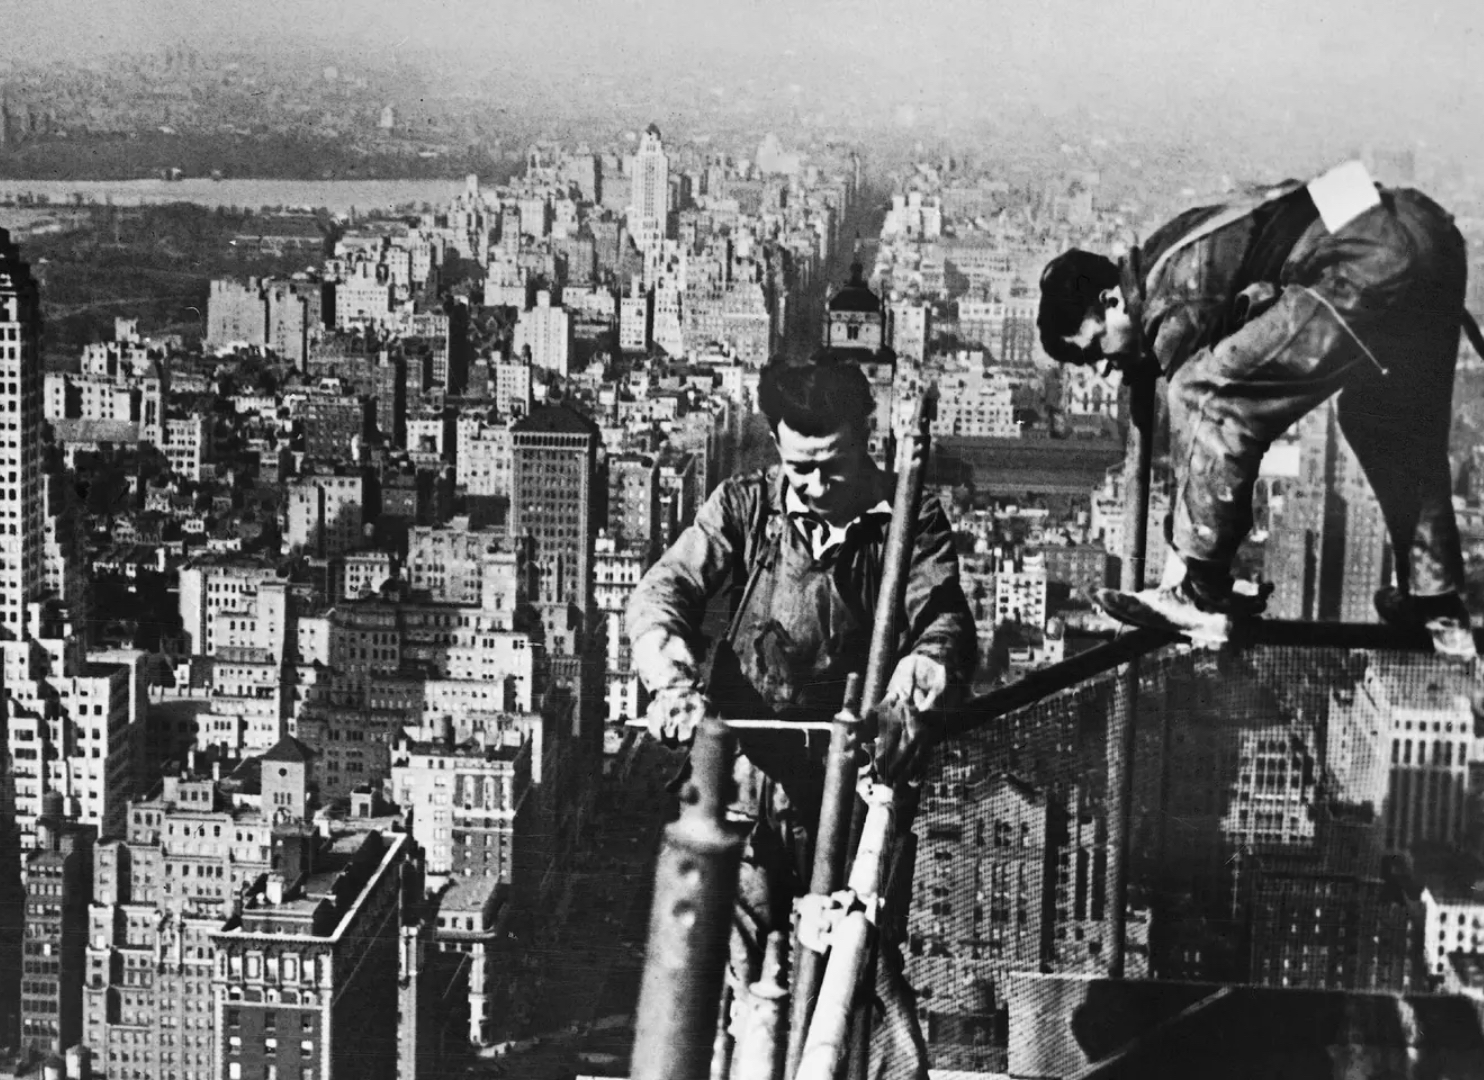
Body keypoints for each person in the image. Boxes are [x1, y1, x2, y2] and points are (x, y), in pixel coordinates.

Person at [625, 357, 977, 1062]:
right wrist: (670, 674)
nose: (813, 487)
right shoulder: (745, 507)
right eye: (798, 467)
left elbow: (943, 626)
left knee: (859, 969)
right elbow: (667, 589)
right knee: (734, 972)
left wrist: (916, 683)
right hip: (749, 787)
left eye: (830, 465)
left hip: (850, 787)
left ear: (866, 438)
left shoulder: (907, 524)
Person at [1039, 160, 1477, 656]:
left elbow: (1203, 419)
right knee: (1387, 423)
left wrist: (1182, 585)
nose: (1102, 368)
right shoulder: (1171, 247)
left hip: (1366, 260)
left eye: (1095, 348)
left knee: (1205, 395)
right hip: (1425, 236)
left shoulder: (1170, 296)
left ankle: (1199, 595)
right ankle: (1436, 601)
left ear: (1112, 301)